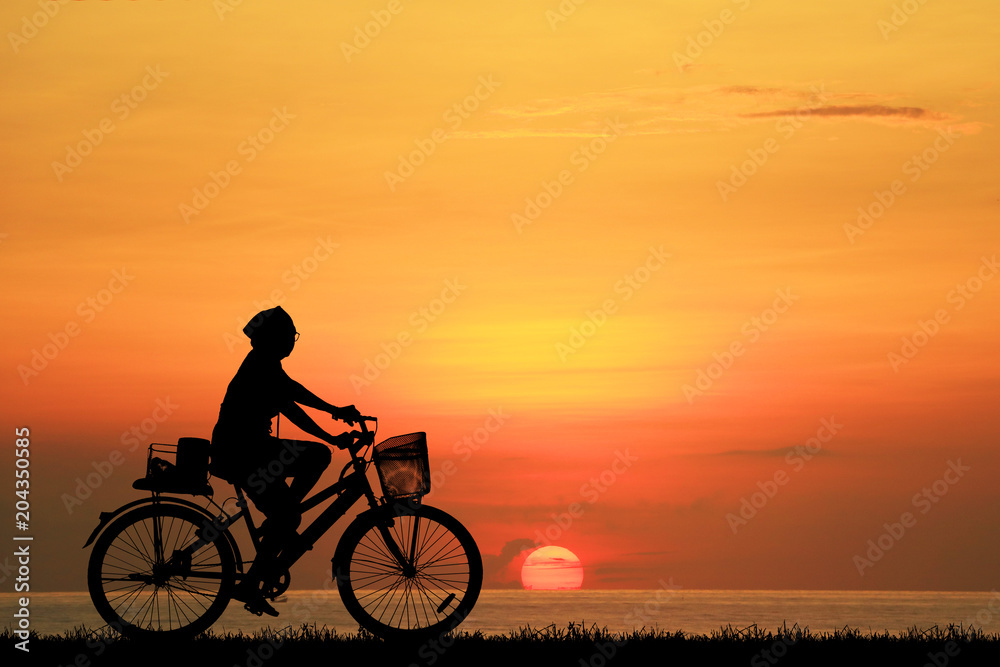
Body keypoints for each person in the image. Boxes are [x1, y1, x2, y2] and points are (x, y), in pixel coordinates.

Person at [210, 305, 361, 616]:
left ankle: (280, 520)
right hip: (244, 452)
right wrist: (332, 432)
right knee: (317, 458)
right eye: (289, 335)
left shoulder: (264, 364)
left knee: (289, 511)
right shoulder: (261, 366)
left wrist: (335, 411)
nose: (292, 341)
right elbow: (292, 405)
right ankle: (253, 579)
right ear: (274, 338)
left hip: (249, 449)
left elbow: (293, 392)